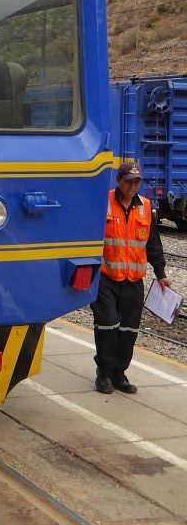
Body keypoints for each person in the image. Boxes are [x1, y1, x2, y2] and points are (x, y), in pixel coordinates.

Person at [91, 161, 171, 394]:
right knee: (107, 325)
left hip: (134, 280)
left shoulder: (146, 207)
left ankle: (119, 373)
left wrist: (161, 274)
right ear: (119, 180)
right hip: (106, 277)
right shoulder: (102, 203)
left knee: (128, 330)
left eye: (136, 182)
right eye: (128, 181)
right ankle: (103, 373)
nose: (132, 186)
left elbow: (153, 244)